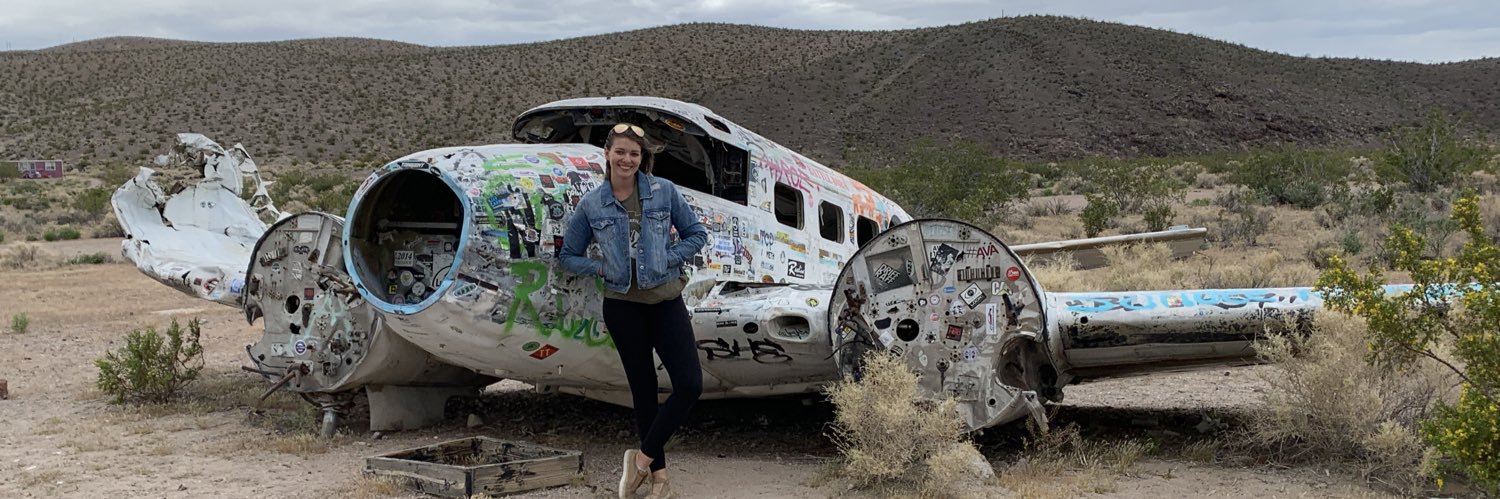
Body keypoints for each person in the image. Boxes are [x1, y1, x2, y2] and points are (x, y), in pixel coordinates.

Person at [559, 123, 708, 499]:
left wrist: (667, 259)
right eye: (621, 152)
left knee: (689, 384)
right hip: (623, 307)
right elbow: (568, 255)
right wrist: (601, 268)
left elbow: (696, 234)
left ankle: (640, 461)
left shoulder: (664, 191)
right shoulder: (593, 204)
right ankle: (660, 480)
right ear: (607, 154)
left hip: (665, 301)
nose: (627, 159)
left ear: (642, 158)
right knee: (643, 393)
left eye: (634, 153)